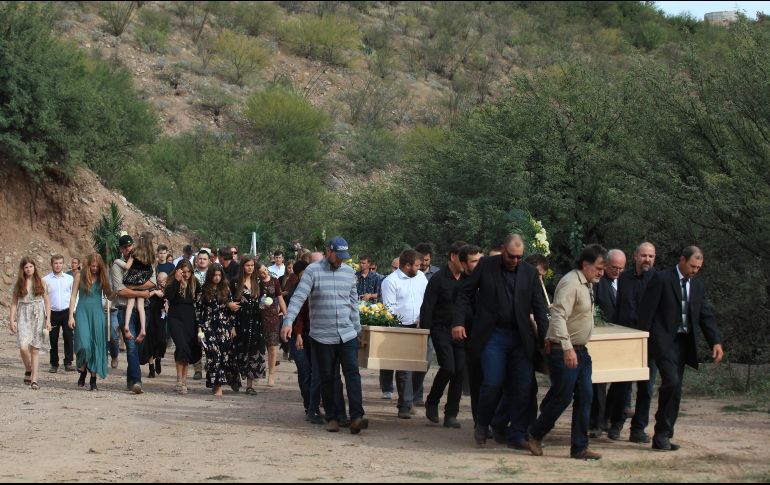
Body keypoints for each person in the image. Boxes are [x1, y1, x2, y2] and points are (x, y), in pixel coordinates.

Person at [455, 235, 549, 450]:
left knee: (523, 385)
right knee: (493, 382)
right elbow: (464, 294)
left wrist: (544, 340)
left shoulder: (529, 273)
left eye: (519, 257)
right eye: (511, 256)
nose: (515, 261)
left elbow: (540, 309)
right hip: (493, 335)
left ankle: (516, 435)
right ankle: (482, 424)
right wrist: (458, 322)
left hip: (520, 337)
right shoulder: (486, 266)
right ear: (502, 249)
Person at [638, 246, 724, 452]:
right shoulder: (662, 279)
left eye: (698, 268)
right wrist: (643, 341)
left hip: (683, 343)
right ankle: (660, 432)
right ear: (682, 260)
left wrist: (716, 341)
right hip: (662, 341)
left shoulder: (697, 286)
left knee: (675, 389)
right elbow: (646, 312)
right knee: (672, 382)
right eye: (692, 266)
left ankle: (664, 435)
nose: (695, 270)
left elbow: (705, 316)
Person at [280, 236, 369, 435]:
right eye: (338, 256)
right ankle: (332, 417)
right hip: (322, 335)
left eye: (344, 257)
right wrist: (288, 322)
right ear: (329, 251)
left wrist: (358, 331)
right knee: (328, 376)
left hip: (347, 334)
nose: (341, 261)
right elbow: (298, 299)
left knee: (352, 374)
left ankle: (356, 416)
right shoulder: (313, 271)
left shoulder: (348, 272)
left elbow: (353, 304)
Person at [528, 244, 607, 461]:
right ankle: (535, 433)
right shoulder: (571, 283)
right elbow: (559, 316)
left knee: (586, 396)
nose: (602, 272)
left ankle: (579, 447)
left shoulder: (588, 283)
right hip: (564, 351)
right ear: (586, 264)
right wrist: (567, 348)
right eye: (599, 267)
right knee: (563, 397)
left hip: (581, 351)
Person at [607, 242, 658, 443]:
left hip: (649, 342)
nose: (647, 259)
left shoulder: (658, 279)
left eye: (651, 256)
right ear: (635, 255)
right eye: (644, 255)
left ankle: (638, 429)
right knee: (621, 385)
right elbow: (619, 307)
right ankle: (616, 424)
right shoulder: (625, 277)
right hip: (626, 340)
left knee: (646, 388)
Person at [421, 242, 469, 428]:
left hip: (462, 330)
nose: (465, 262)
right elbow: (427, 306)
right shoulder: (438, 279)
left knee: (459, 371)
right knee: (448, 367)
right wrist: (426, 333)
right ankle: (432, 401)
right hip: (440, 329)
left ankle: (451, 414)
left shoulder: (467, 279)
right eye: (461, 257)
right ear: (452, 256)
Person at [381, 249, 429, 419]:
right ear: (408, 265)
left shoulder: (421, 278)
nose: (421, 268)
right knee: (404, 369)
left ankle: (411, 398)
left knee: (425, 364)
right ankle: (405, 404)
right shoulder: (390, 281)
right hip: (402, 328)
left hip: (422, 327)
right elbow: (389, 308)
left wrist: (423, 318)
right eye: (417, 265)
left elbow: (427, 299)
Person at [111, 234, 157, 394]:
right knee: (131, 346)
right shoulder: (117, 266)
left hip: (143, 307)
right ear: (120, 249)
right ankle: (137, 381)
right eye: (124, 247)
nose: (127, 249)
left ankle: (131, 379)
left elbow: (153, 281)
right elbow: (120, 289)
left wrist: (137, 290)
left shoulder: (144, 259)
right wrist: (142, 291)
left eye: (129, 246)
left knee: (138, 347)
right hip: (125, 308)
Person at [589, 248, 626, 439]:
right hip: (601, 337)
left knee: (622, 382)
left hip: (622, 337)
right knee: (599, 383)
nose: (617, 272)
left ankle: (612, 418)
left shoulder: (626, 282)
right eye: (613, 267)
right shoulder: (598, 281)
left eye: (621, 268)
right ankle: (597, 422)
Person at [68, 254, 113, 391]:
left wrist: (117, 290)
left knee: (96, 346)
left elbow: (109, 295)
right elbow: (73, 296)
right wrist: (71, 316)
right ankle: (83, 369)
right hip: (82, 312)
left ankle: (93, 379)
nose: (94, 268)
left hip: (98, 314)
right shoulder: (79, 276)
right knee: (84, 344)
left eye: (97, 266)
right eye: (92, 266)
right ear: (88, 265)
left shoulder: (102, 278)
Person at [196, 264, 241, 397]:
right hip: (208, 327)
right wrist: (199, 330)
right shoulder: (204, 290)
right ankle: (217, 385)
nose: (217, 278)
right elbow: (198, 311)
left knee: (224, 356)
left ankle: (221, 383)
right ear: (210, 276)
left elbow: (232, 310)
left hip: (224, 327)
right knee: (214, 355)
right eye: (214, 275)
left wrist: (232, 327)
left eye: (219, 275)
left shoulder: (226, 289)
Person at [10, 256, 51, 390]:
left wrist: (48, 320)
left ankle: (34, 380)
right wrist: (12, 320)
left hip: (38, 314)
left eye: (31, 266)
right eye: (26, 267)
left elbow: (47, 302)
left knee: (35, 348)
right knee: (23, 346)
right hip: (23, 314)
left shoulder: (42, 282)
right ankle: (28, 367)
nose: (29, 269)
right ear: (23, 269)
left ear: (34, 267)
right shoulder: (19, 284)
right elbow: (14, 303)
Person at [114, 232, 161, 349]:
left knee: (130, 303)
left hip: (132, 279)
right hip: (144, 280)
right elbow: (152, 275)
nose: (128, 248)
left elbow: (127, 267)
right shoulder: (150, 255)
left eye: (129, 246)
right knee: (140, 306)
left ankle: (126, 326)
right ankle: (143, 330)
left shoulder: (135, 253)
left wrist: (116, 261)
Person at [229, 255, 267, 395]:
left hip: (256, 323)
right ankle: (235, 380)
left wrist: (265, 303)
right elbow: (229, 302)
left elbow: (263, 300)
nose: (250, 268)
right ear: (242, 266)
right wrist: (231, 325)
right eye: (247, 265)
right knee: (238, 352)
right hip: (239, 322)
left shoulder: (258, 282)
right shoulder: (234, 282)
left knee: (253, 352)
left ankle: (250, 385)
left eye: (252, 265)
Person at [165, 259, 201, 395]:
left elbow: (200, 301)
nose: (186, 275)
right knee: (181, 346)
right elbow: (168, 296)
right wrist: (176, 280)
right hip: (175, 317)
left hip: (190, 318)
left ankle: (183, 381)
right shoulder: (172, 280)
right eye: (183, 272)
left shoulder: (195, 282)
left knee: (187, 348)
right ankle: (179, 379)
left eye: (188, 272)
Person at [258, 263, 287, 386]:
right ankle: (257, 373)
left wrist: (286, 315)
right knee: (259, 348)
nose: (264, 272)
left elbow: (280, 298)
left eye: (265, 269)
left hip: (273, 318)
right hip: (258, 317)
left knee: (273, 347)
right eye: (261, 271)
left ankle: (271, 375)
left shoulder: (275, 281)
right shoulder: (255, 283)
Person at [44, 255, 75, 373]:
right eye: (56, 263)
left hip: (67, 311)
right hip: (52, 313)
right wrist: (46, 315)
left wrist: (73, 312)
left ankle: (68, 362)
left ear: (63, 264)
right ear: (51, 264)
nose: (58, 265)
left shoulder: (69, 279)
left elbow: (74, 295)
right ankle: (54, 364)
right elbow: (44, 298)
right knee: (53, 339)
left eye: (60, 263)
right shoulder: (45, 280)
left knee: (68, 337)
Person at [141, 272, 168, 379]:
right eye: (159, 280)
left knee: (161, 341)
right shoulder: (151, 287)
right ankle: (151, 368)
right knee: (149, 342)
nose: (160, 282)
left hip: (160, 318)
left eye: (163, 281)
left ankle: (158, 359)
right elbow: (144, 296)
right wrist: (155, 292)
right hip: (149, 316)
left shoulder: (168, 289)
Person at [192, 249, 212, 380]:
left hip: (210, 311)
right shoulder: (192, 275)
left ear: (209, 261)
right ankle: (197, 369)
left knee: (209, 339)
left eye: (204, 259)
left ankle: (210, 366)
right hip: (194, 311)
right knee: (196, 340)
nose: (202, 261)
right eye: (200, 258)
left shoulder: (213, 274)